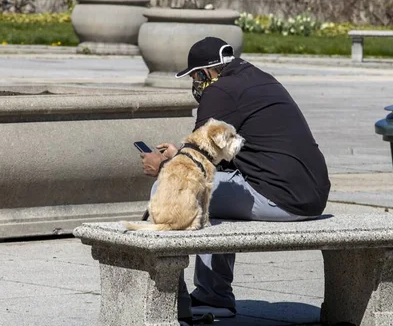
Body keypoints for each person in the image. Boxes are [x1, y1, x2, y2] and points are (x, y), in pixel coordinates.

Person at [140, 36, 331, 325]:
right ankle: (211, 294)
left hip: (279, 197)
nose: (195, 84)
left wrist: (164, 165)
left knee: (172, 188)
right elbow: (214, 155)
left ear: (206, 72)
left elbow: (194, 170)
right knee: (213, 189)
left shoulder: (219, 92)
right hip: (311, 193)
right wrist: (180, 153)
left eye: (195, 77)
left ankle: (181, 298)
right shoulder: (257, 77)